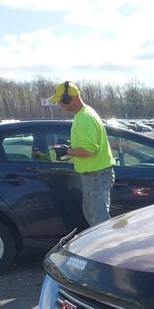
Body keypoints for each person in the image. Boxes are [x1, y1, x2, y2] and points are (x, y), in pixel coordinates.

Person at [47, 81, 115, 226]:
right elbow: (86, 146)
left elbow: (88, 151)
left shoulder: (85, 118)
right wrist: (70, 149)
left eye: (60, 101)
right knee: (93, 216)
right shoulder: (84, 114)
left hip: (96, 175)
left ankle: (105, 247)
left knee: (99, 221)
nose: (59, 104)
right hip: (94, 175)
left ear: (68, 98)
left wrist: (66, 151)